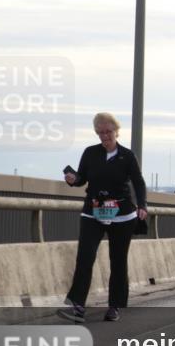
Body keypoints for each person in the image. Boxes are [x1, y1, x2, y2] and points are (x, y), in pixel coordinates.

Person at [58, 113, 147, 323]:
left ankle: (114, 306)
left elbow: (138, 182)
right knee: (85, 257)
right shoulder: (90, 153)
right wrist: (73, 179)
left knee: (118, 261)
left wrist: (142, 204)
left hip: (122, 215)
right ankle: (77, 306)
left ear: (116, 131)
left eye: (108, 131)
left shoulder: (127, 155)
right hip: (93, 211)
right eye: (100, 132)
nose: (105, 136)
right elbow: (82, 179)